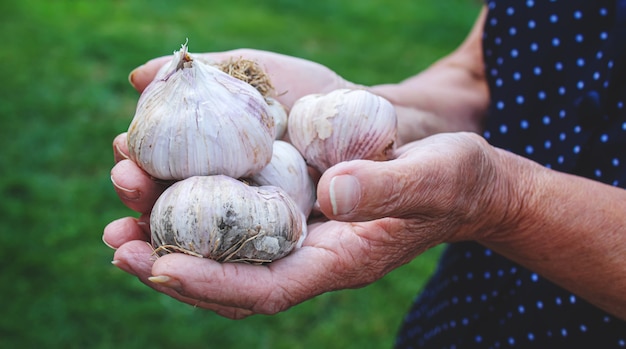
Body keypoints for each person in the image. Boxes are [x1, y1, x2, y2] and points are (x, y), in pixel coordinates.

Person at [103, 0, 626, 347]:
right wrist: (384, 116)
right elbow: (481, 74)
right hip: (466, 310)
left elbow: (498, 195)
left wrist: (504, 202)